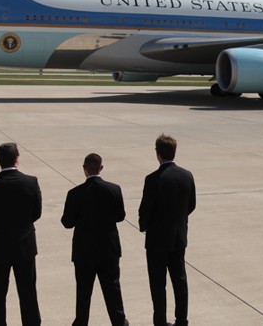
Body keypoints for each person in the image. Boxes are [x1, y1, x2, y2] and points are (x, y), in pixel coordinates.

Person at [0, 143, 43, 326]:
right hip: (24, 246)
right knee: (28, 292)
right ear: (17, 159)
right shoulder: (31, 182)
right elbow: (36, 213)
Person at [61, 153, 129, 326]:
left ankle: (81, 322)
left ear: (84, 169)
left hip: (84, 251)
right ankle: (119, 321)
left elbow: (67, 222)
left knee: (83, 292)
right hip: (108, 249)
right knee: (113, 289)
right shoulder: (114, 189)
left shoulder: (74, 193)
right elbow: (120, 216)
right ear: (101, 168)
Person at [139, 134, 196, 326]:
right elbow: (191, 205)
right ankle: (182, 320)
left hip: (157, 240)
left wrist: (144, 225)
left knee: (158, 284)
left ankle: (160, 322)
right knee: (180, 280)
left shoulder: (153, 179)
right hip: (178, 237)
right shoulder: (187, 175)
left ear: (158, 154)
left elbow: (145, 210)